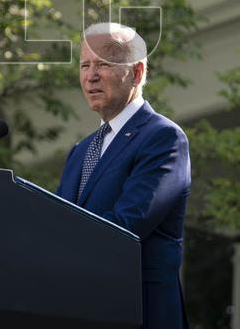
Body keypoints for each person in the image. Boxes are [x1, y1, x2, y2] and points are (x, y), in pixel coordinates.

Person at [55, 23, 191, 329]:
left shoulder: (163, 137)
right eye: (85, 65)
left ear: (137, 73)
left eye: (103, 64)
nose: (91, 76)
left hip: (140, 313)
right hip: (80, 311)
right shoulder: (81, 151)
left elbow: (125, 227)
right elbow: (57, 221)